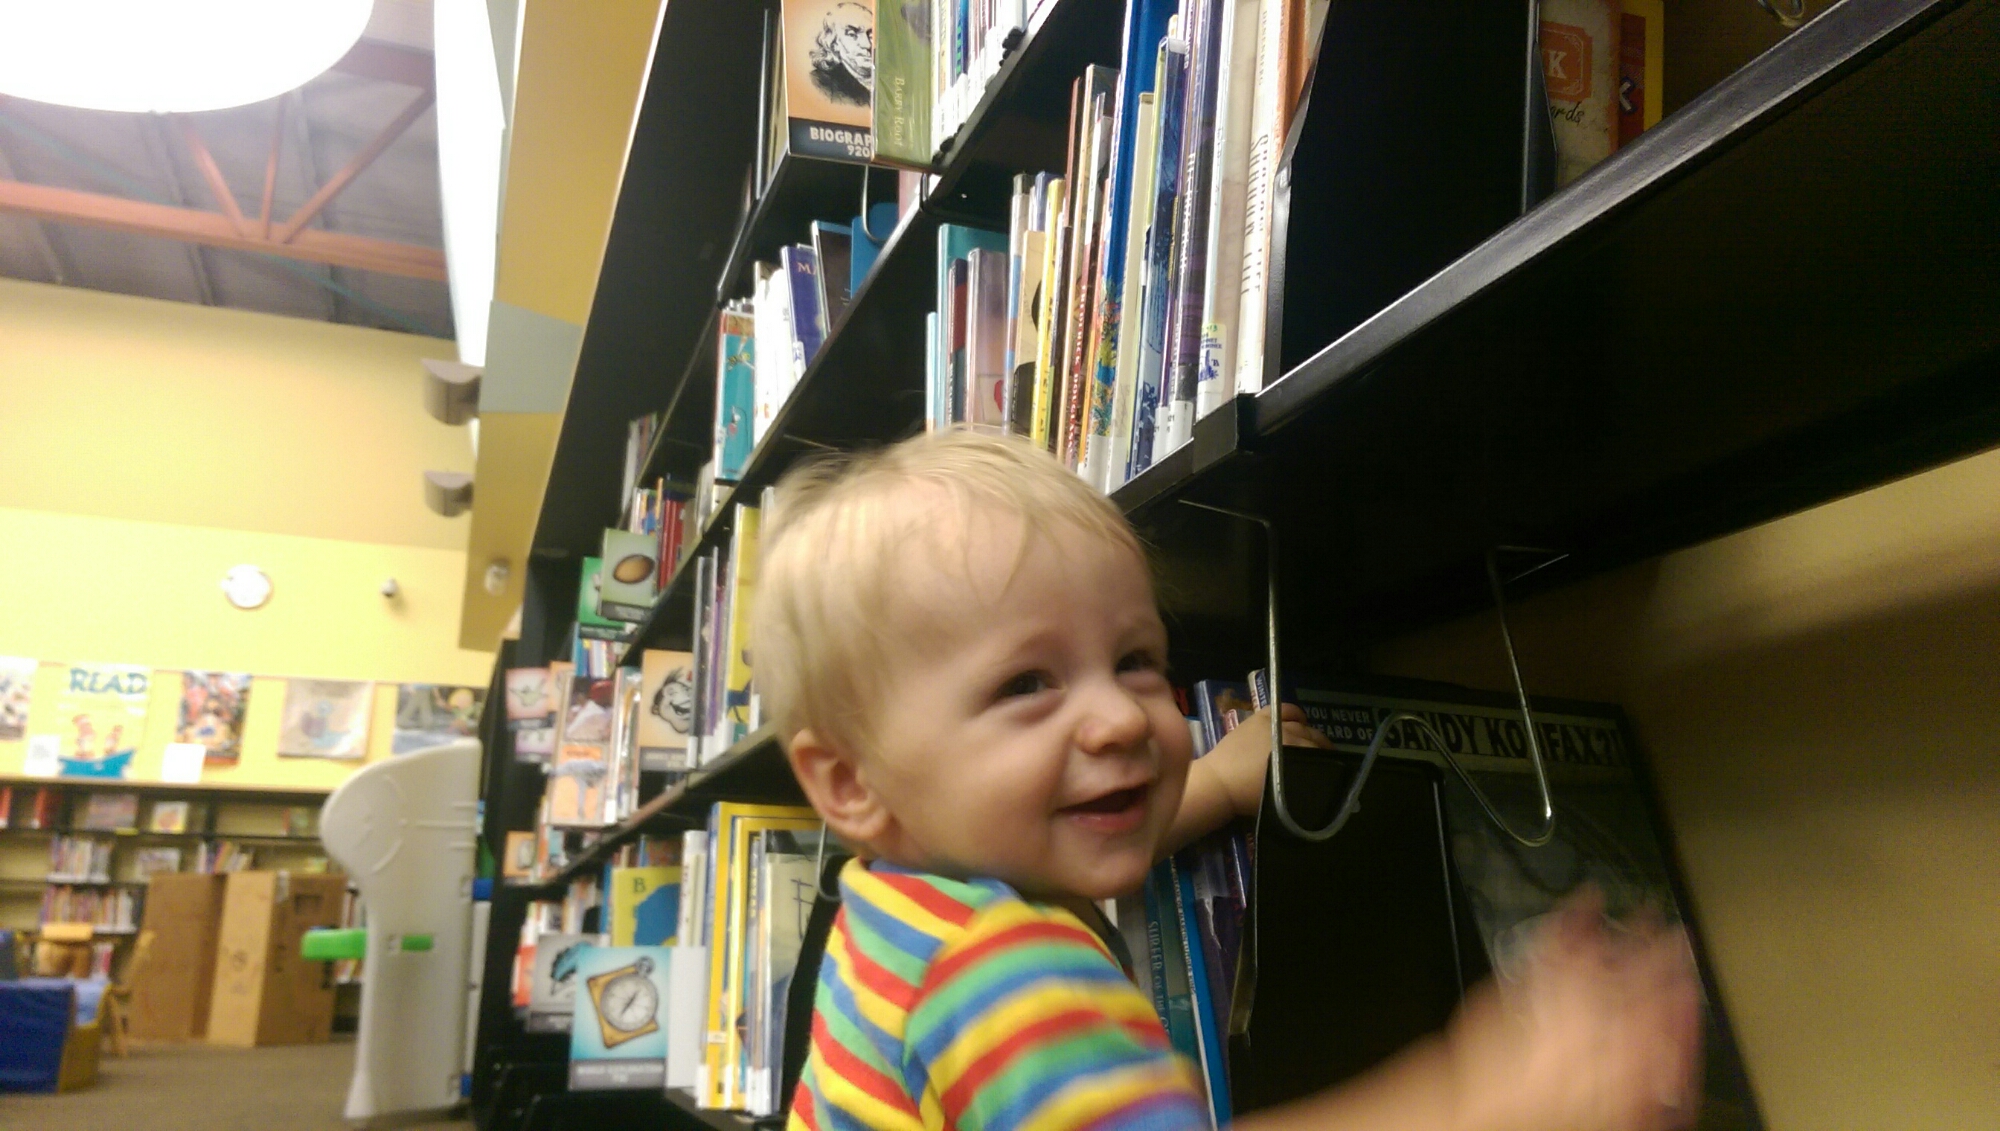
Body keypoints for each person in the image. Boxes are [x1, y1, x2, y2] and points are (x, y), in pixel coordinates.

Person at [753, 429, 1702, 1131]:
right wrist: (1482, 1098)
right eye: (1026, 684)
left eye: (1134, 660)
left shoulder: (898, 903)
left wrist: (1205, 784)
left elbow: (1022, 840)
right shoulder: (1000, 973)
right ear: (851, 783)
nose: (1124, 717)